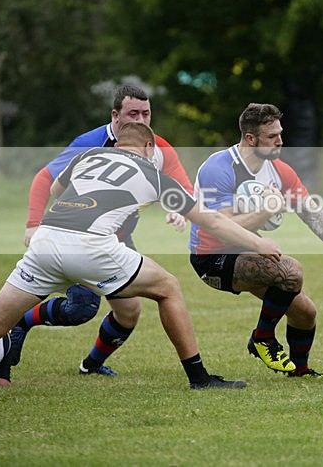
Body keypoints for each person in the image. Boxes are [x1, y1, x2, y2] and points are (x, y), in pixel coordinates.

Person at [0, 122, 283, 399]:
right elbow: (212, 220)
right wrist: (258, 243)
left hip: (46, 243)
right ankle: (199, 377)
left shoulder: (87, 157)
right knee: (168, 287)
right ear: (150, 149)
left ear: (117, 143)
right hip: (92, 247)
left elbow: (55, 189)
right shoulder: (151, 171)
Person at [12, 84, 193, 377]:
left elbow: (184, 188)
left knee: (129, 312)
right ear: (115, 115)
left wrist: (177, 209)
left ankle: (91, 365)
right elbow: (44, 179)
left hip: (116, 240)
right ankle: (22, 321)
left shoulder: (158, 148)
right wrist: (33, 224)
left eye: (146, 113)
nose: (141, 120)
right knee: (80, 309)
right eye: (133, 113)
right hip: (78, 235)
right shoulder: (91, 142)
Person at [189, 103, 323, 377]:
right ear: (251, 139)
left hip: (246, 249)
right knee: (291, 271)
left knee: (305, 312)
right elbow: (219, 228)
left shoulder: (279, 170)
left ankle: (300, 371)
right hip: (212, 258)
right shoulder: (219, 168)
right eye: (272, 136)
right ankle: (262, 338)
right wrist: (267, 209)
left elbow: (313, 213)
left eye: (280, 133)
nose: (280, 141)